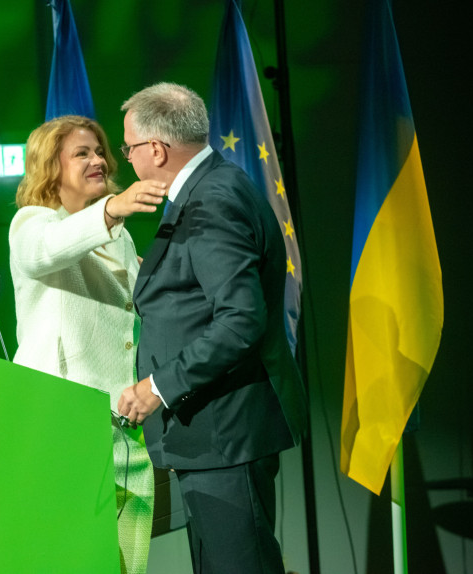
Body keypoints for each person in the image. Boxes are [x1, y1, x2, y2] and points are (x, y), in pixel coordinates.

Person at [116, 82, 309, 574]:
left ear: (156, 149)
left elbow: (240, 321)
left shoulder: (213, 197)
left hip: (225, 432)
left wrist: (158, 387)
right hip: (212, 435)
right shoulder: (209, 189)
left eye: (128, 148)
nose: (127, 159)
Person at [9, 115, 167, 573]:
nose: (98, 160)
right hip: (63, 424)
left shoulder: (119, 238)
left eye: (100, 151)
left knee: (127, 563)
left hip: (123, 430)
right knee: (70, 559)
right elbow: (49, 249)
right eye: (82, 153)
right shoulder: (32, 224)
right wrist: (113, 208)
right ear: (50, 166)